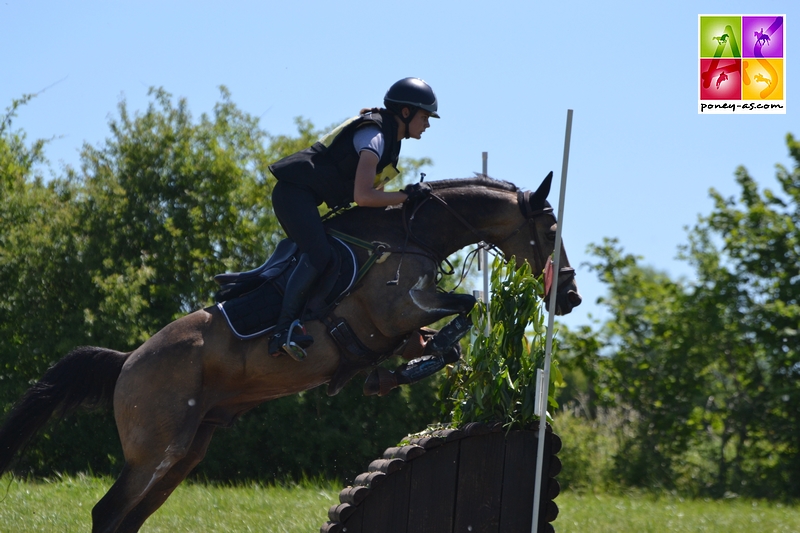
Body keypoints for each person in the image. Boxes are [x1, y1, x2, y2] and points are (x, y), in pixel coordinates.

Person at [267, 77, 439, 360]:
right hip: (293, 194)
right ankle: (282, 331)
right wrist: (407, 196)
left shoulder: (391, 144)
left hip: (306, 198)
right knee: (320, 254)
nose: (428, 124)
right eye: (424, 116)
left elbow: (375, 203)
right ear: (405, 113)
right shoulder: (376, 137)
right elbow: (364, 196)